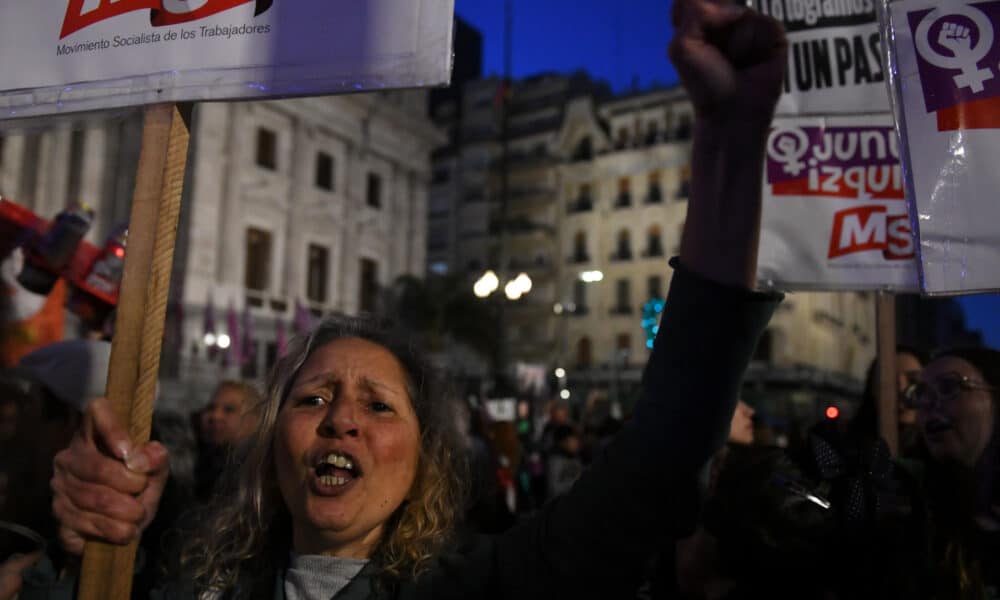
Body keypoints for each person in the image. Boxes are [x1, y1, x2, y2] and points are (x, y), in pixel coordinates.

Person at [44, 2, 787, 597]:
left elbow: (661, 464)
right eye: (312, 400)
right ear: (270, 445)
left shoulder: (489, 585)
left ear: (426, 458)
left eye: (378, 405)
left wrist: (728, 147)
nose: (341, 419)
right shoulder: (189, 580)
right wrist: (92, 525)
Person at [905, 347, 1000, 597]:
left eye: (949, 387)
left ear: (994, 398)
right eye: (921, 394)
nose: (928, 405)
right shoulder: (908, 505)